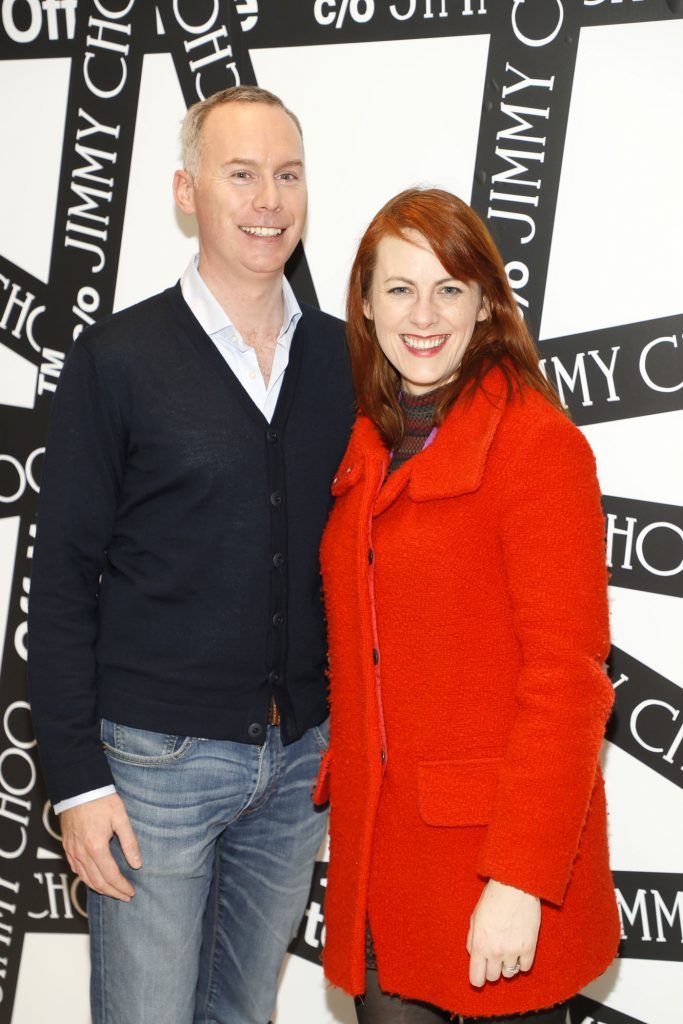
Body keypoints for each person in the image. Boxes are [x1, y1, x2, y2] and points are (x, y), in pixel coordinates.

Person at [28, 85, 354, 1024]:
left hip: (300, 767)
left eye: (287, 175)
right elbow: (60, 587)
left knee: (242, 1015)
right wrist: (79, 781)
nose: (268, 199)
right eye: (241, 174)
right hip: (152, 766)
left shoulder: (345, 359)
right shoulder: (118, 358)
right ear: (186, 191)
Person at [315, 187, 621, 1023]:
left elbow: (568, 679)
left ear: (485, 304)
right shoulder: (368, 443)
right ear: (367, 307)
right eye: (400, 289)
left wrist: (519, 881)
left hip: (499, 864)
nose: (425, 314)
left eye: (449, 288)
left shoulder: (536, 446)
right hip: (387, 868)